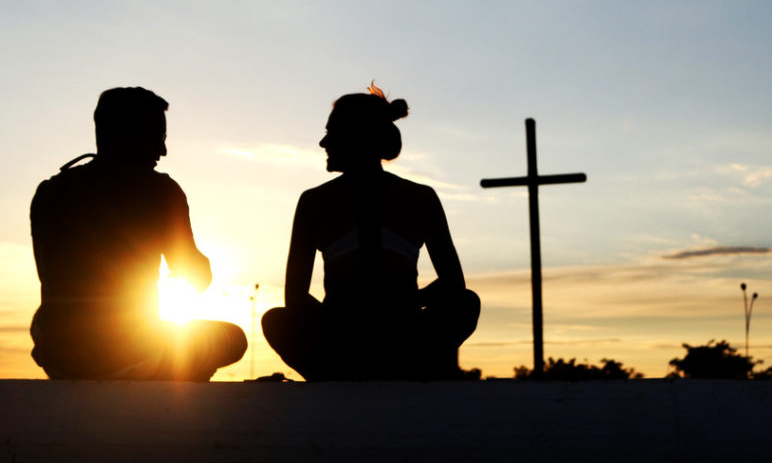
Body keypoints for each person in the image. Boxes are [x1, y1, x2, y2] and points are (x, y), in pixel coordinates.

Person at [262, 85, 480, 380]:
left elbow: (454, 285)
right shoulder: (314, 201)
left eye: (332, 132)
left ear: (357, 136)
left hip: (395, 336)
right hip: (345, 338)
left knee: (466, 303)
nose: (323, 142)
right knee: (276, 320)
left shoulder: (419, 198)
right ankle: (392, 372)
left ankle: (346, 375)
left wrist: (401, 308)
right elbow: (294, 297)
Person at [29, 87, 246, 380]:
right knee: (232, 338)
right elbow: (194, 277)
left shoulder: (50, 190)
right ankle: (158, 381)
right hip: (127, 349)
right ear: (124, 133)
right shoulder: (160, 191)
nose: (163, 151)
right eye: (157, 138)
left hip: (57, 350)